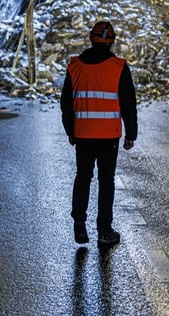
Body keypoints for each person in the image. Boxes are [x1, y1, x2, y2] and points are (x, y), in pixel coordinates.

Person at [60, 20, 138, 247]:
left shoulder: (75, 66)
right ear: (111, 42)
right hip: (108, 136)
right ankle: (104, 231)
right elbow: (128, 103)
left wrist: (70, 130)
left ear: (91, 38)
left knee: (83, 177)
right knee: (106, 181)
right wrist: (131, 133)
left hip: (83, 134)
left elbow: (66, 103)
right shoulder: (119, 67)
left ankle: (79, 225)